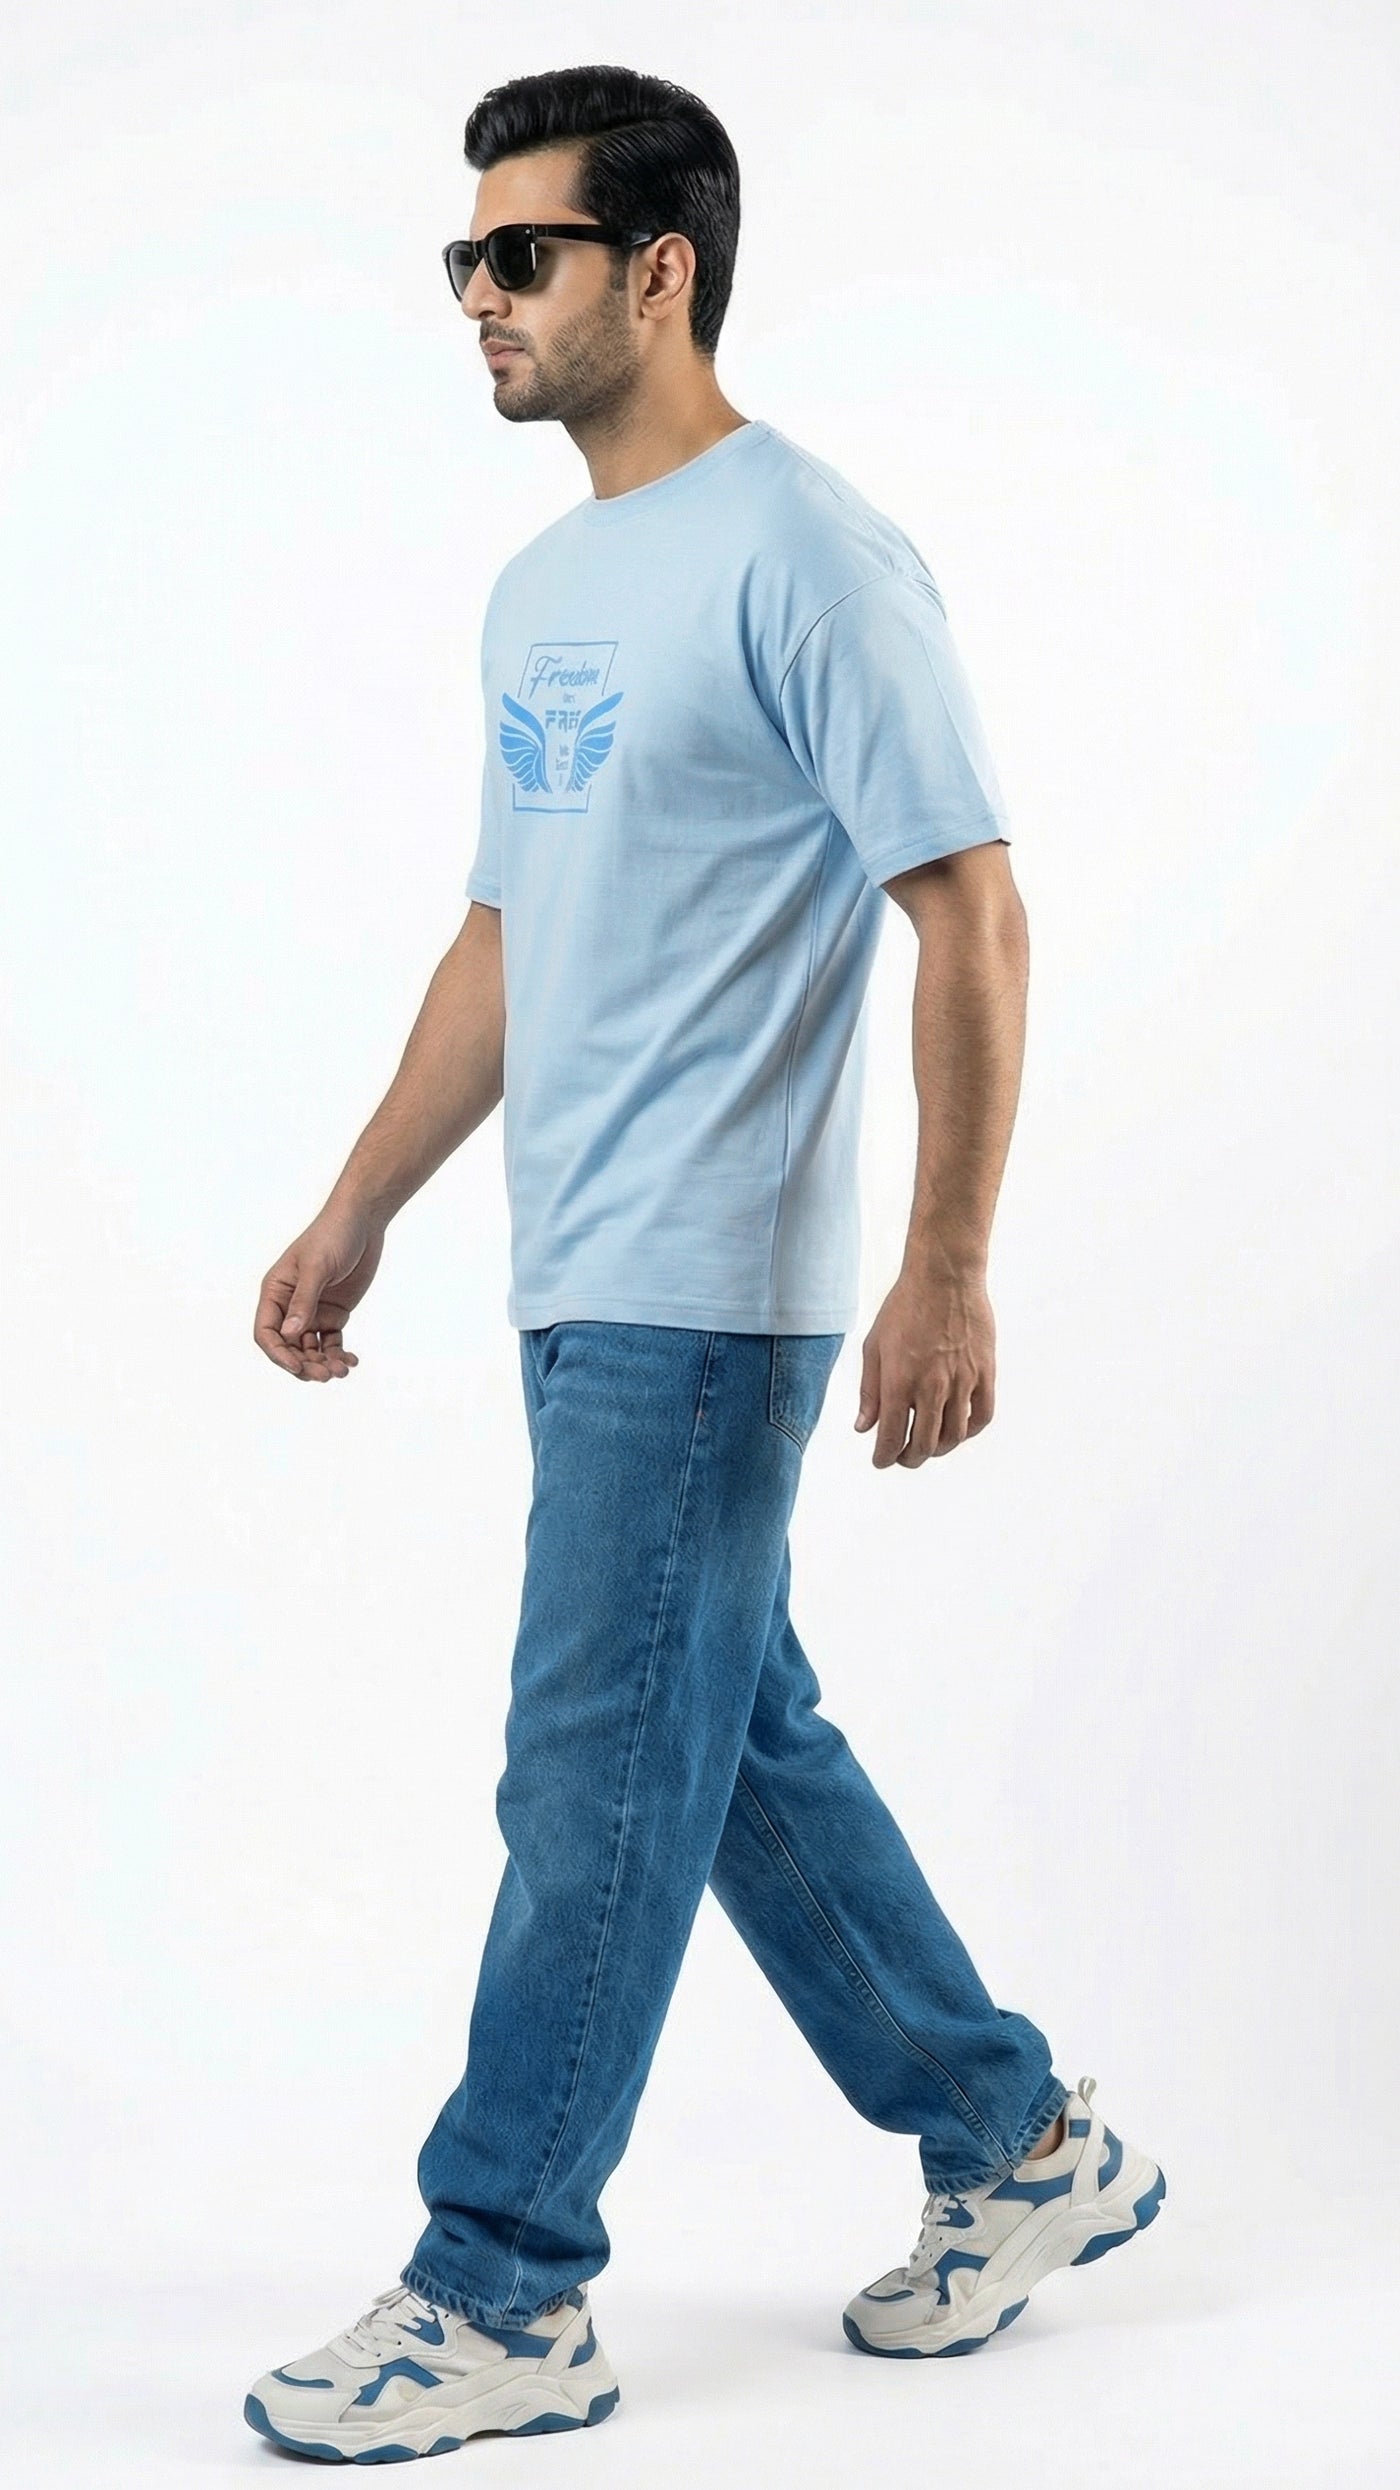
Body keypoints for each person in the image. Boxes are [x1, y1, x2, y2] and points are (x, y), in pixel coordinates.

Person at [244, 62, 1165, 2465]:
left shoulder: (810, 553)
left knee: (591, 1776)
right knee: (723, 1743)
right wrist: (360, 1204)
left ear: (656, 271)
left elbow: (969, 907)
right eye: (461, 257)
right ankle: (1016, 2144)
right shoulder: (546, 586)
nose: (478, 295)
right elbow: (504, 934)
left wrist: (947, 1263)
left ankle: (502, 2284)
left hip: (710, 1284)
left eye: (520, 253)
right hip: (570, 1268)